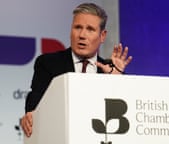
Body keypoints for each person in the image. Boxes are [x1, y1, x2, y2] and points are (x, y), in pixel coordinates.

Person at [20, 2, 132, 137]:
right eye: (78, 27)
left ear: (102, 36)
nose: (82, 35)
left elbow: (126, 114)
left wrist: (117, 81)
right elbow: (35, 100)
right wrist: (32, 114)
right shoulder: (48, 63)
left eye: (90, 29)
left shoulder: (108, 71)